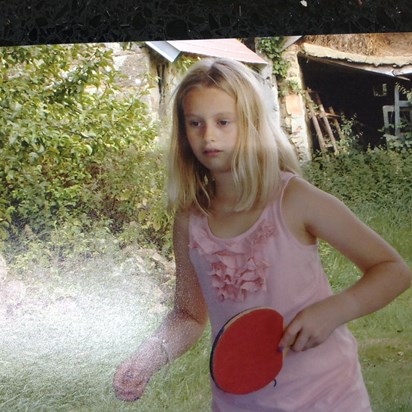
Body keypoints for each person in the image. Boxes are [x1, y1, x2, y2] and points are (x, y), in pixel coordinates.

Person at [113, 58, 411, 411]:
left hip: (328, 397)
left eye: (223, 122)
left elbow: (392, 269)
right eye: (196, 123)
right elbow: (189, 315)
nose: (209, 135)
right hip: (240, 402)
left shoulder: (295, 200)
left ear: (252, 124)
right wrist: (149, 356)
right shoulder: (189, 219)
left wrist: (334, 311)